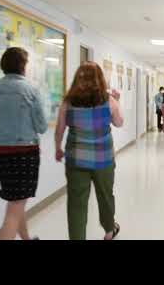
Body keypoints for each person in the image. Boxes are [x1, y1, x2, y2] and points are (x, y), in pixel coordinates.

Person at [54, 61, 123, 240]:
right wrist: (117, 101)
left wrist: (57, 149)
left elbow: (60, 129)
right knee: (106, 196)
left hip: (76, 159)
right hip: (104, 159)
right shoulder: (108, 100)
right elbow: (119, 122)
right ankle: (109, 230)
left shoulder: (68, 102)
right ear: (100, 78)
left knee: (76, 204)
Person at [0, 47, 47, 240]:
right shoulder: (30, 90)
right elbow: (42, 126)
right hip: (24, 154)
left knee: (15, 201)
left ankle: (26, 239)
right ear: (22, 66)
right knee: (15, 207)